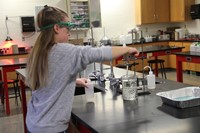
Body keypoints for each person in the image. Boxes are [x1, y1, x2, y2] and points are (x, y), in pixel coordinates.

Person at [25, 5, 139, 133]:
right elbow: (99, 53)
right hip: (52, 128)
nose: (69, 31)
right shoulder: (64, 51)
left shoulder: (37, 52)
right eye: (67, 27)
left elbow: (48, 81)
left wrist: (73, 81)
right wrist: (128, 49)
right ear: (56, 28)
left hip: (33, 123)